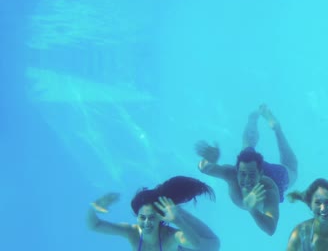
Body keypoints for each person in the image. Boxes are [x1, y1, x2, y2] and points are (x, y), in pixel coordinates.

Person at [195, 104, 297, 235]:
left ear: (261, 174)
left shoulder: (270, 189)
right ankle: (254, 119)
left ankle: (277, 128)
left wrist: (252, 210)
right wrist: (209, 161)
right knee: (247, 146)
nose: (247, 180)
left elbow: (271, 229)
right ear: (237, 171)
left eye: (251, 175)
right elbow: (204, 169)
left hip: (277, 177)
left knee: (292, 166)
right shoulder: (231, 173)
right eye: (242, 174)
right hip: (251, 166)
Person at [87, 176, 220, 251]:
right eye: (142, 217)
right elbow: (95, 225)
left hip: (208, 246)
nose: (146, 223)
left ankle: (176, 211)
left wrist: (178, 221)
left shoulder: (170, 236)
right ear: (137, 217)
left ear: (158, 218)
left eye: (151, 217)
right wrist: (93, 208)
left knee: (213, 247)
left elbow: (198, 245)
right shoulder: (132, 232)